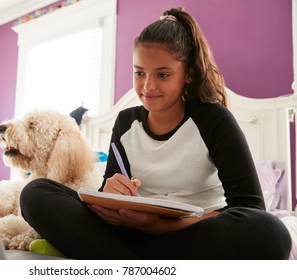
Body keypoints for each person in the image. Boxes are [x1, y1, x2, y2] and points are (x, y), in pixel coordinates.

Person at [20, 7, 292, 259]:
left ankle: (120, 263)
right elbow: (109, 195)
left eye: (162, 75)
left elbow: (250, 207)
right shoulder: (126, 122)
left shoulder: (213, 119)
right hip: (130, 229)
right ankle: (139, 265)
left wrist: (158, 226)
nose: (147, 86)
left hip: (191, 234)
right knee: (35, 192)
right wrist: (110, 191)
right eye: (139, 73)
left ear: (188, 74)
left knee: (271, 231)